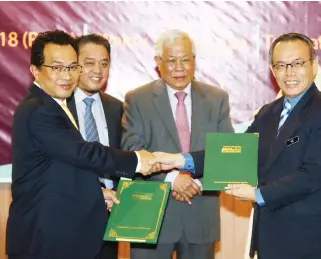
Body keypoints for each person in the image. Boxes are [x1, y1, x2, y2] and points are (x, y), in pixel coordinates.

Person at [165, 32, 321, 259]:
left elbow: (312, 175)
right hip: (272, 240)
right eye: (281, 65)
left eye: (297, 63)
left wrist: (257, 194)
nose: (289, 72)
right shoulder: (268, 113)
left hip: (313, 242)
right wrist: (182, 160)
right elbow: (237, 152)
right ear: (272, 70)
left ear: (313, 65)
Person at [6, 30, 164, 259]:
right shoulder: (39, 109)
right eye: (57, 67)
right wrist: (138, 160)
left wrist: (96, 193)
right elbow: (84, 153)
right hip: (45, 237)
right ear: (35, 71)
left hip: (66, 232)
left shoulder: (53, 105)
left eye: (72, 67)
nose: (66, 75)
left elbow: (61, 170)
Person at [121, 29, 234, 259]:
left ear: (194, 61)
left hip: (200, 213)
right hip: (151, 215)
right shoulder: (137, 99)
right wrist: (173, 179)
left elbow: (227, 153)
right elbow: (132, 149)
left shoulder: (217, 98)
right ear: (158, 63)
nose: (179, 67)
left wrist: (195, 183)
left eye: (185, 60)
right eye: (171, 61)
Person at [66, 34, 121, 259]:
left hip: (109, 218)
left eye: (104, 63)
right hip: (68, 216)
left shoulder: (118, 109)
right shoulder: (57, 108)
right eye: (89, 63)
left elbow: (122, 160)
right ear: (75, 65)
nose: (98, 70)